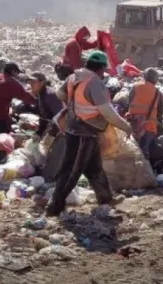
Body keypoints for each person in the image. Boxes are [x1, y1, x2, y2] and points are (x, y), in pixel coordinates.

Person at [46, 50, 132, 217]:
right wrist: (126, 127)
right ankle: (54, 206)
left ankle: (106, 198)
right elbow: (107, 113)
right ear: (100, 68)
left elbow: (60, 94)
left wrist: (74, 104)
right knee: (71, 169)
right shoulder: (94, 82)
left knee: (94, 167)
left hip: (75, 128)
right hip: (83, 133)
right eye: (103, 70)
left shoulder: (73, 77)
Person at [0, 62, 37, 134]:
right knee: (4, 135)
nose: (17, 75)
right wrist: (38, 102)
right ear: (13, 71)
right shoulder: (12, 83)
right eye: (17, 73)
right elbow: (25, 96)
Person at [127, 68, 163, 161]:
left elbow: (129, 102)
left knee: (129, 149)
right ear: (156, 80)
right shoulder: (158, 92)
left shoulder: (135, 87)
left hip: (132, 124)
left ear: (144, 77)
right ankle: (144, 172)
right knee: (143, 152)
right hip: (148, 126)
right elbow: (160, 112)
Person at [27, 72, 64, 141]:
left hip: (60, 130)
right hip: (51, 126)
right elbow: (43, 116)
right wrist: (39, 132)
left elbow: (60, 116)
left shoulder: (50, 95)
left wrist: (51, 134)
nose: (31, 84)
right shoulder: (39, 94)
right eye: (30, 82)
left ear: (42, 83)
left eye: (34, 82)